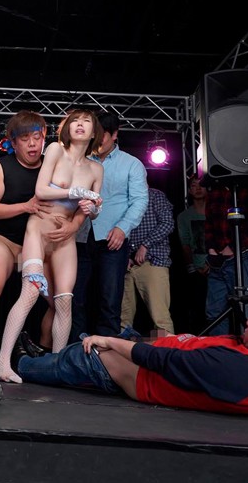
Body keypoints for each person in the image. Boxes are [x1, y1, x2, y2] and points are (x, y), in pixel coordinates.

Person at [17, 291, 248, 415]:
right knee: (100, 342)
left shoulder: (243, 372)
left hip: (122, 369)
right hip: (143, 354)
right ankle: (42, 354)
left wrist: (109, 342)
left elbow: (160, 360)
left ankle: (23, 362)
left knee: (77, 354)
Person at [0, 109, 103, 383]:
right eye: (75, 121)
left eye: (86, 121)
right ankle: (2, 362)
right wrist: (76, 192)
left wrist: (89, 210)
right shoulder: (55, 150)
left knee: (64, 301)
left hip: (65, 237)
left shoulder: (96, 169)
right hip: (38, 229)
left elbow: (91, 211)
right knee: (30, 293)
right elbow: (41, 190)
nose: (80, 125)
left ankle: (58, 367)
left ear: (94, 131)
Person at [0, 110, 63, 350]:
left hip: (37, 245)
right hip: (5, 241)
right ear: (14, 142)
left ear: (44, 137)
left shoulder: (53, 167)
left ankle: (44, 354)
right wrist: (25, 206)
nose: (32, 144)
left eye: (37, 137)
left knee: (59, 302)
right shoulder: (0, 167)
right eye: (25, 139)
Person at [70, 112, 148, 341]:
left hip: (113, 239)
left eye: (102, 135)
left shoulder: (132, 164)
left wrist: (123, 228)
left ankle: (106, 354)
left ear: (115, 134)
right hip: (79, 237)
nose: (96, 139)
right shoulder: (81, 160)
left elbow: (140, 201)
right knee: (74, 298)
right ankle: (74, 351)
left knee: (110, 300)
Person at [204, 183, 248, 335]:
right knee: (214, 312)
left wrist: (233, 247)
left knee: (247, 310)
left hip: (244, 254)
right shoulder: (215, 190)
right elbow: (208, 222)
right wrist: (211, 248)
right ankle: (219, 348)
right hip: (218, 258)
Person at [120, 185, 176, 335]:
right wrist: (124, 255)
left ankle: (165, 349)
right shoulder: (121, 198)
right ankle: (123, 348)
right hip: (127, 263)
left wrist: (145, 245)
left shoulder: (155, 195)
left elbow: (167, 224)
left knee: (160, 318)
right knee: (123, 319)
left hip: (153, 260)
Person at [176, 174, 209, 333]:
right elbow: (185, 243)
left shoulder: (216, 212)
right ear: (189, 190)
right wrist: (192, 267)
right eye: (194, 185)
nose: (198, 189)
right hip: (197, 268)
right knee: (198, 308)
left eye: (201, 185)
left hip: (219, 265)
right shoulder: (184, 216)